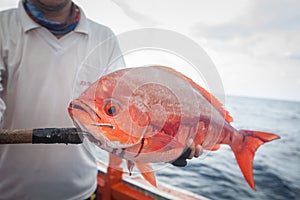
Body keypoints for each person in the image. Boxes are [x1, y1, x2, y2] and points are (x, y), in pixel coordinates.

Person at [0, 0, 202, 199]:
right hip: (9, 191)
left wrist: (157, 148)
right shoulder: (3, 26)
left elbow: (125, 117)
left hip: (81, 192)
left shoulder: (104, 38)